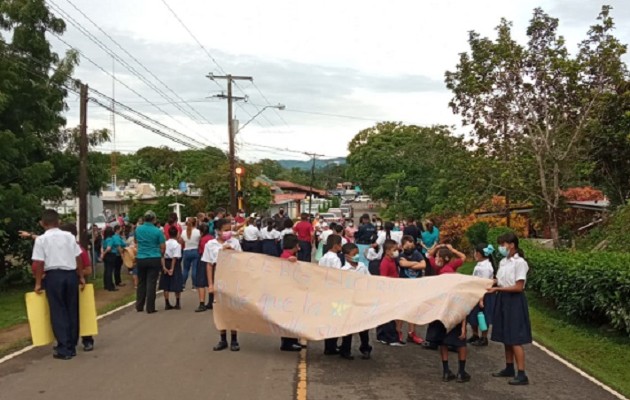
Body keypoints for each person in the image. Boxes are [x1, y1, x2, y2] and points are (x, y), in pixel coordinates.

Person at [31, 210, 85, 360]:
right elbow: (78, 257)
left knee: (58, 310)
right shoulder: (69, 236)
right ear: (58, 222)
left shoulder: (41, 240)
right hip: (70, 274)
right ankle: (72, 345)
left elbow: (39, 262)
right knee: (72, 309)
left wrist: (38, 283)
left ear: (43, 223)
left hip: (54, 276)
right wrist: (80, 276)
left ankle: (64, 347)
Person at [487, 233, 532, 386]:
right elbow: (499, 280)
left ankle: (522, 373)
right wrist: (489, 283)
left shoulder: (520, 263)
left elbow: (519, 287)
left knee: (514, 337)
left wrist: (498, 289)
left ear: (512, 245)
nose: (501, 248)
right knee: (506, 335)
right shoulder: (503, 262)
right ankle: (509, 367)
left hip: (514, 300)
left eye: (503, 244)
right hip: (503, 298)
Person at [425, 243, 470, 383]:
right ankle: (461, 372)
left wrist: (440, 247)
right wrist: (449, 248)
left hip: (441, 311)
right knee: (460, 342)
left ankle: (446, 371)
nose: (435, 258)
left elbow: (428, 255)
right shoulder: (450, 269)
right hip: (452, 311)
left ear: (444, 258)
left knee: (442, 341)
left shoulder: (443, 271)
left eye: (438, 256)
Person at [202, 218, 243, 351]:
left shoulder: (235, 242)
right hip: (218, 277)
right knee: (220, 310)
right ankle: (223, 338)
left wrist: (231, 252)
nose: (228, 232)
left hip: (232, 277)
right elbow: (208, 264)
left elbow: (242, 260)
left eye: (230, 229)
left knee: (233, 308)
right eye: (225, 230)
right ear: (218, 231)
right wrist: (210, 284)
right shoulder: (210, 244)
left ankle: (234, 339)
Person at [59, 223, 95, 352]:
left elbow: (88, 270)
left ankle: (87, 339)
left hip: (80, 287)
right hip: (66, 287)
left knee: (83, 313)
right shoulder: (60, 250)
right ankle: (67, 340)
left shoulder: (80, 250)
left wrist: (72, 273)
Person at [339, 243, 373, 360]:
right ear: (346, 256)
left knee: (363, 328)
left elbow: (369, 279)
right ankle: (345, 350)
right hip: (349, 302)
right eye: (354, 254)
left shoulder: (362, 266)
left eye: (357, 253)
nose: (357, 256)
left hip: (361, 301)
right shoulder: (343, 270)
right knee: (348, 328)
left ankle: (365, 348)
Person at [318, 235, 345, 357]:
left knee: (328, 319)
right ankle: (332, 346)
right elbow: (338, 276)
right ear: (336, 245)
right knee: (335, 319)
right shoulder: (336, 259)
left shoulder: (323, 258)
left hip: (325, 290)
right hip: (335, 291)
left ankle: (328, 346)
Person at [134, 210, 166, 314]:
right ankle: (150, 307)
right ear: (154, 219)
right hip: (154, 257)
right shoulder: (157, 231)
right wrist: (160, 253)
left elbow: (136, 242)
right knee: (151, 283)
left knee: (141, 282)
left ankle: (139, 305)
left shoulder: (138, 229)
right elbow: (162, 247)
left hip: (141, 257)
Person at [398, 235, 426, 345]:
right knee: (401, 310)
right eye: (407, 246)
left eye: (412, 245)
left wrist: (411, 264)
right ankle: (398, 331)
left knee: (414, 310)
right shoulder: (401, 255)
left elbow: (423, 265)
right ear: (403, 246)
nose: (410, 247)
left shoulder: (417, 254)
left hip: (416, 286)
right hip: (404, 285)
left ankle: (411, 332)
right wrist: (416, 263)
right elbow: (402, 263)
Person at [467, 243, 496, 346]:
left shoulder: (485, 267)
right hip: (477, 293)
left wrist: (481, 299)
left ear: (479, 253)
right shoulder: (481, 264)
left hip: (483, 295)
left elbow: (483, 284)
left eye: (475, 252)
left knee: (483, 316)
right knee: (473, 315)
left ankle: (484, 337)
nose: (474, 254)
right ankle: (475, 335)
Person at [278, 234, 303, 352]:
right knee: (289, 317)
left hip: (290, 290)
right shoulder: (287, 258)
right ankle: (288, 342)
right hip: (287, 292)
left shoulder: (290, 256)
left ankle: (292, 340)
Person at [376, 239, 403, 346]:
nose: (396, 251)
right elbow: (384, 279)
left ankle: (382, 336)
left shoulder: (391, 261)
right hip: (389, 291)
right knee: (390, 316)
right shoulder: (385, 263)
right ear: (387, 251)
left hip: (393, 289)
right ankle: (391, 338)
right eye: (394, 250)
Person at [159, 226, 183, 310]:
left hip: (165, 261)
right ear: (177, 234)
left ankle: (167, 302)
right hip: (174, 264)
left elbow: (161, 255)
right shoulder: (177, 245)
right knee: (176, 283)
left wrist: (164, 267)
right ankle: (177, 302)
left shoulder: (165, 243)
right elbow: (175, 257)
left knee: (166, 284)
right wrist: (172, 268)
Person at [195, 223, 214, 312]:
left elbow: (201, 251)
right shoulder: (212, 238)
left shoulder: (202, 240)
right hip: (213, 260)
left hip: (203, 259)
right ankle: (211, 301)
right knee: (212, 281)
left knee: (201, 282)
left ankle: (202, 303)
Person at [181, 217, 201, 291]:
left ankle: (183, 285)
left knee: (185, 269)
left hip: (186, 251)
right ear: (195, 223)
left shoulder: (184, 232)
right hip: (195, 250)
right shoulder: (198, 232)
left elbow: (182, 241)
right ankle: (194, 285)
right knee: (195, 269)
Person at [100, 226, 118, 292]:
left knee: (106, 270)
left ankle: (106, 285)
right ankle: (110, 286)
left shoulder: (104, 239)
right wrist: (104, 253)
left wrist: (102, 254)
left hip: (106, 256)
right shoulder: (110, 239)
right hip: (111, 255)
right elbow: (109, 248)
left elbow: (102, 247)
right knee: (110, 271)